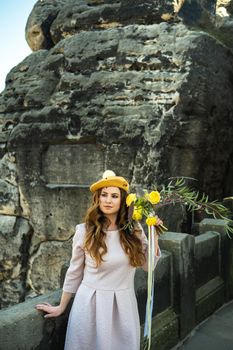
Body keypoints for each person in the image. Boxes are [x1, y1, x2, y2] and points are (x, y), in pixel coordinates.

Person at [36, 170, 161, 350]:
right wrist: (61, 307)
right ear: (97, 198)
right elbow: (74, 271)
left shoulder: (134, 230)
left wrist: (154, 234)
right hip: (89, 307)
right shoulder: (84, 231)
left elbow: (148, 266)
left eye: (114, 196)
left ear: (123, 200)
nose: (108, 200)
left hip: (123, 308)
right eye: (104, 195)